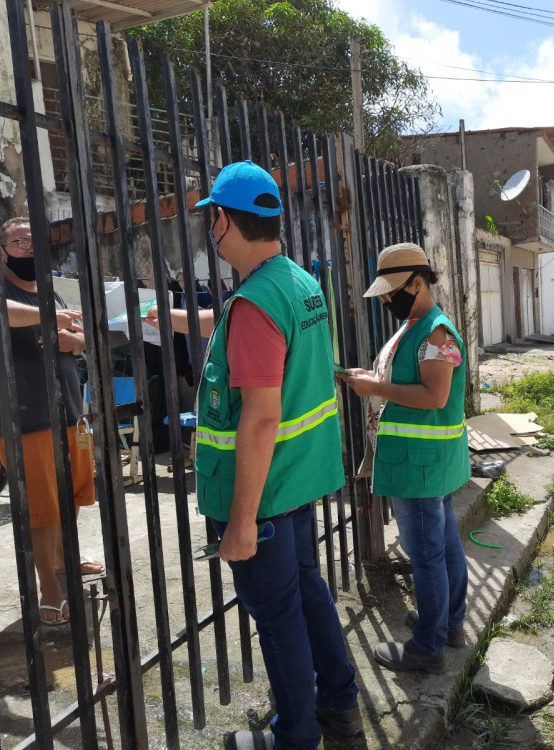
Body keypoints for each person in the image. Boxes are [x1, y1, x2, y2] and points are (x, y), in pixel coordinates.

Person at [188, 160, 360, 750]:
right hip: (297, 480)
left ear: (221, 222)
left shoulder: (255, 303)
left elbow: (260, 419)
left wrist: (239, 522)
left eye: (210, 219)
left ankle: (295, 735)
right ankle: (339, 701)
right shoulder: (298, 283)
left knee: (278, 614)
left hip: (262, 493)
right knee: (306, 591)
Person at [340, 242, 470, 675]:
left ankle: (427, 647)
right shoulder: (420, 325)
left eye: (393, 290)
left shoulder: (436, 332)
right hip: (426, 459)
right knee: (444, 545)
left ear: (418, 282)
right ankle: (448, 623)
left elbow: (435, 395)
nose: (387, 300)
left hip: (419, 464)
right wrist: (373, 379)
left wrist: (375, 389)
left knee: (427, 554)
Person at [0, 217, 101, 627]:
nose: (29, 249)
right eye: (20, 241)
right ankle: (49, 588)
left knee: (70, 497)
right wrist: (50, 317)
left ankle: (65, 558)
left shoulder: (51, 292)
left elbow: (79, 338)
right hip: (27, 419)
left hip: (69, 415)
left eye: (35, 242)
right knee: (41, 508)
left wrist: (74, 341)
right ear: (2, 249)